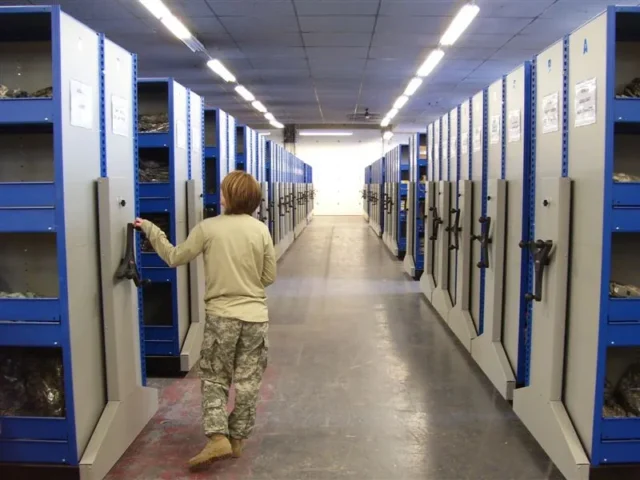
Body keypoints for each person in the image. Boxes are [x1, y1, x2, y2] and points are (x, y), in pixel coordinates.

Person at [135, 171, 276, 470]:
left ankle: (217, 437)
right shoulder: (261, 230)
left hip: (222, 317)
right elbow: (269, 276)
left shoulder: (208, 228)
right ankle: (237, 439)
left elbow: (175, 257)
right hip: (255, 319)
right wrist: (246, 282)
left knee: (215, 378)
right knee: (248, 382)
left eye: (223, 190)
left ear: (229, 197)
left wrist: (150, 229)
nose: (219, 195)